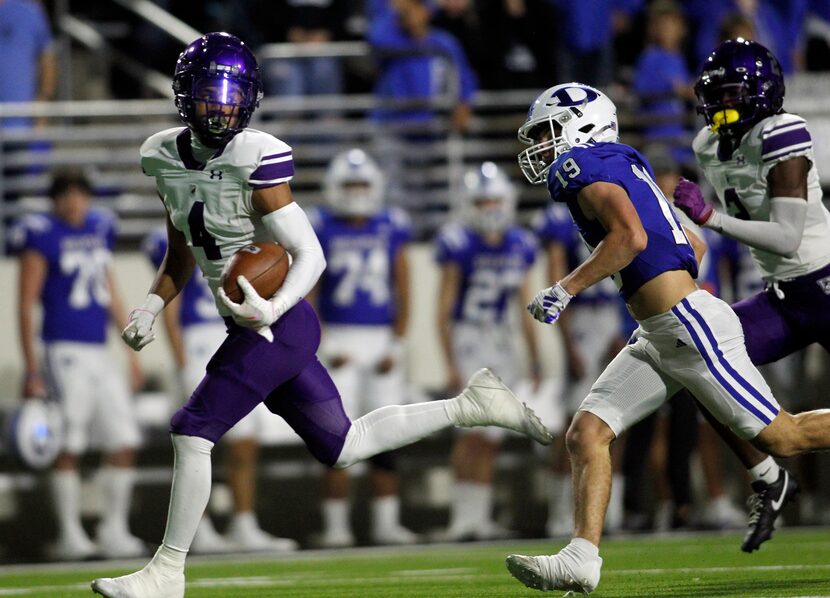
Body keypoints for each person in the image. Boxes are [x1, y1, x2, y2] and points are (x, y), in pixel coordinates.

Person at [90, 32, 551, 598]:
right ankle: (471, 405)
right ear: (186, 95)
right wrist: (152, 303)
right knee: (344, 446)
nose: (223, 106)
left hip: (279, 322)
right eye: (212, 93)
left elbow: (311, 253)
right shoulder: (160, 155)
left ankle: (166, 573)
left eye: (233, 95)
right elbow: (183, 247)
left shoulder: (254, 155)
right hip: (255, 322)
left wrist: (274, 305)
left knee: (193, 429)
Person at [505, 81, 830, 594]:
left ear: (579, 125)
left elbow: (631, 238)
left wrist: (566, 287)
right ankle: (582, 559)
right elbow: (693, 246)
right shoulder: (621, 161)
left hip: (686, 324)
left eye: (547, 132)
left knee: (783, 437)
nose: (541, 147)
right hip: (662, 330)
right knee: (586, 433)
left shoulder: (582, 166)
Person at [673, 38, 830, 551]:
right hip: (783, 297)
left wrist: (711, 219)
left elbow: (786, 236)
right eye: (713, 95)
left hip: (826, 284)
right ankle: (768, 476)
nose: (720, 106)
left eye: (732, 93)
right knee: (700, 363)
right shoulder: (705, 145)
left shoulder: (782, 131)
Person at [12, 169, 145, 561]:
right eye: (65, 194)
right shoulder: (42, 235)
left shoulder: (99, 228)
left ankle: (113, 530)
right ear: (54, 200)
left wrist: (130, 349)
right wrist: (32, 368)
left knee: (124, 440)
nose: (73, 201)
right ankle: (69, 533)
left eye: (79, 194)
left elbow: (110, 293)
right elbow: (24, 306)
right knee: (68, 442)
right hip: (62, 350)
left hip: (100, 352)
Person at [142, 229, 298, 553]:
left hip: (236, 335)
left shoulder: (245, 227)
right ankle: (198, 529)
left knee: (244, 441)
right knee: (198, 443)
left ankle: (244, 523)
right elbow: (174, 291)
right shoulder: (187, 226)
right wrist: (182, 359)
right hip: (196, 340)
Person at [306, 148, 419, 547]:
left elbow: (405, 289)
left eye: (362, 184)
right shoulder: (321, 226)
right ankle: (336, 528)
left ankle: (386, 523)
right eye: (349, 185)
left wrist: (400, 342)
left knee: (387, 433)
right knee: (337, 436)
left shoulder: (392, 225)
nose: (356, 193)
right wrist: (322, 342)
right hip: (336, 337)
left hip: (381, 338)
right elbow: (309, 294)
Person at [435, 162, 541, 541]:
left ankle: (478, 518)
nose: (490, 208)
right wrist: (448, 361)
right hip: (469, 338)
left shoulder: (520, 243)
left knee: (492, 434)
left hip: (501, 341)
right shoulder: (458, 242)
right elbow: (443, 310)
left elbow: (523, 305)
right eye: (482, 201)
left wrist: (534, 356)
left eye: (496, 199)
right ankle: (460, 519)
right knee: (470, 433)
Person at [532, 203, 623, 537]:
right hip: (581, 321)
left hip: (611, 315)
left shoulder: (612, 206)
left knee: (617, 424)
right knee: (574, 427)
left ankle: (610, 514)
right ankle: (560, 515)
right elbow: (558, 284)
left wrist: (618, 330)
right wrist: (568, 344)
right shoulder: (559, 219)